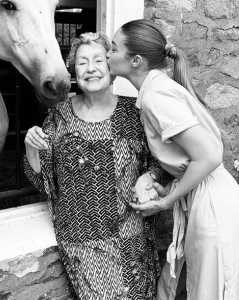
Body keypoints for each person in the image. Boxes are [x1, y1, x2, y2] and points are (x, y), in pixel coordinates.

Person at [106, 19, 239, 300]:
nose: (108, 54)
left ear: (136, 61)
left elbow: (209, 156)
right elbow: (190, 159)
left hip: (215, 210)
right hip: (214, 201)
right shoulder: (156, 91)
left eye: (114, 48)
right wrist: (167, 188)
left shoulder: (157, 95)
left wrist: (166, 202)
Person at [24, 32, 167, 300]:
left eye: (99, 60)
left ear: (111, 69)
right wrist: (31, 146)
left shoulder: (133, 113)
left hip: (131, 238)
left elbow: (160, 165)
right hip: (82, 242)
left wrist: (148, 176)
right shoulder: (60, 115)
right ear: (74, 72)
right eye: (82, 63)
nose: (91, 69)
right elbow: (41, 178)